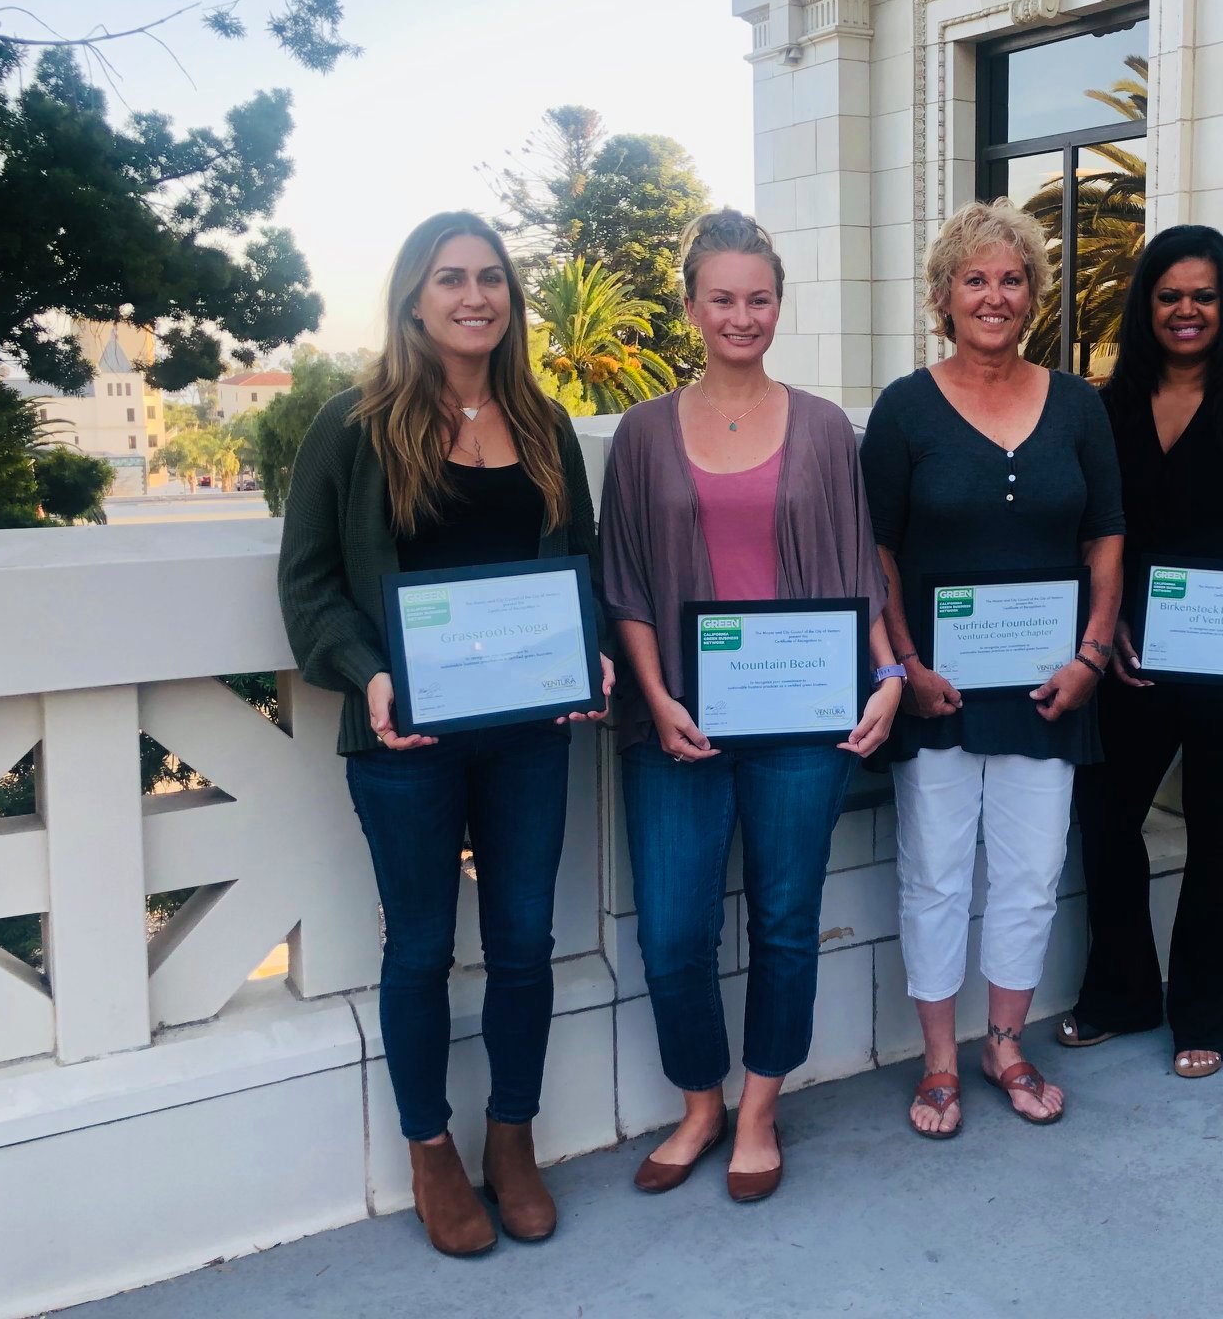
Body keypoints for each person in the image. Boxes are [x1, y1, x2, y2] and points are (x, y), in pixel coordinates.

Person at [278, 210, 614, 1255]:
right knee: (420, 948)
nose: (476, 296)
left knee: (523, 942)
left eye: (492, 277)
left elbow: (581, 562)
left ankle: (511, 1138)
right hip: (406, 741)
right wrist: (367, 673)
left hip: (526, 735)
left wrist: (590, 652)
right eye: (451, 278)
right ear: (414, 300)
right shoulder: (352, 426)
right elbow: (309, 584)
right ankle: (430, 1151)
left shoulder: (544, 423)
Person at [601, 209, 901, 1203]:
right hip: (679, 722)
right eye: (723, 299)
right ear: (691, 306)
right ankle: (700, 1105)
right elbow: (624, 583)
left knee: (783, 918)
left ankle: (761, 1109)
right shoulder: (643, 434)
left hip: (802, 724)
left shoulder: (823, 428)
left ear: (780, 305)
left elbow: (858, 572)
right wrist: (655, 696)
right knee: (672, 931)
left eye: (759, 299)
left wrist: (889, 676)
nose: (742, 316)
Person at [860, 199, 1124, 1139]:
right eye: (974, 279)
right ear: (943, 296)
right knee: (936, 874)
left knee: (1031, 870)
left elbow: (1105, 535)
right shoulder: (904, 409)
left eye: (1012, 279)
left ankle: (1004, 1044)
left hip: (1050, 689)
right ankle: (939, 1058)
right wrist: (906, 663)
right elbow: (877, 550)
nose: (994, 296)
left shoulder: (1079, 406)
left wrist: (1094, 654)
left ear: (1033, 295)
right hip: (939, 690)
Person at [1062, 225, 1223, 1079]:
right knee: (1106, 820)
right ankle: (1124, 993)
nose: (1186, 310)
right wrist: (1100, 628)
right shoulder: (1101, 407)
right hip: (1129, 656)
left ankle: (1201, 1010)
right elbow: (1085, 535)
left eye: (1204, 296)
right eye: (1169, 295)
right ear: (1145, 306)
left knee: (1218, 831)